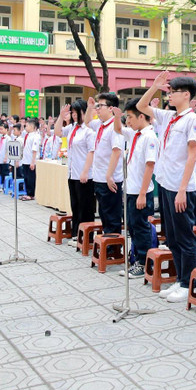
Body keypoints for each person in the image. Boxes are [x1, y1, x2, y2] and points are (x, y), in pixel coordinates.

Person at [137, 71, 196, 304]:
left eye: (173, 91)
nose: (169, 95)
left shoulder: (192, 120)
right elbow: (141, 105)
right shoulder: (168, 117)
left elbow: (192, 156)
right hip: (165, 183)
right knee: (171, 236)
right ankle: (179, 278)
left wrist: (183, 189)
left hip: (180, 186)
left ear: (186, 95)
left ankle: (188, 283)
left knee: (185, 236)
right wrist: (154, 86)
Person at [116, 99, 158, 278]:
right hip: (131, 188)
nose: (128, 121)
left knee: (141, 228)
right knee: (132, 227)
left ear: (142, 116)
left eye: (130, 117)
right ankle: (136, 259)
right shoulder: (136, 134)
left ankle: (143, 263)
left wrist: (142, 194)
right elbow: (119, 129)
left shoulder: (149, 137)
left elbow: (150, 166)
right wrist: (117, 117)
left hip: (141, 191)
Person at [55, 101, 95, 239]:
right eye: (73, 113)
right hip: (72, 172)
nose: (74, 115)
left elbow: (91, 151)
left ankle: (86, 235)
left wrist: (85, 171)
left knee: (85, 205)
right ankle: (76, 232)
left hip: (84, 174)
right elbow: (58, 132)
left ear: (84, 112)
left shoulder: (88, 131)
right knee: (75, 204)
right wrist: (61, 117)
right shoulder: (72, 128)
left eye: (77, 112)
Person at [92, 93, 125, 235]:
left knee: (112, 215)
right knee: (104, 213)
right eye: (96, 106)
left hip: (110, 179)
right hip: (99, 177)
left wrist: (109, 175)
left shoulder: (115, 127)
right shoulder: (101, 125)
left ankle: (113, 249)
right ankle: (108, 244)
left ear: (111, 108)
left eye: (100, 106)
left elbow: (117, 151)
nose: (97, 109)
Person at [19, 118, 41, 201]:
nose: (25, 127)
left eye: (27, 125)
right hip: (25, 160)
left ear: (32, 126)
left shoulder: (36, 136)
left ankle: (31, 194)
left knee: (31, 178)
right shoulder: (28, 135)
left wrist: (33, 162)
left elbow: (34, 150)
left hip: (31, 161)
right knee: (26, 178)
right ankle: (27, 192)